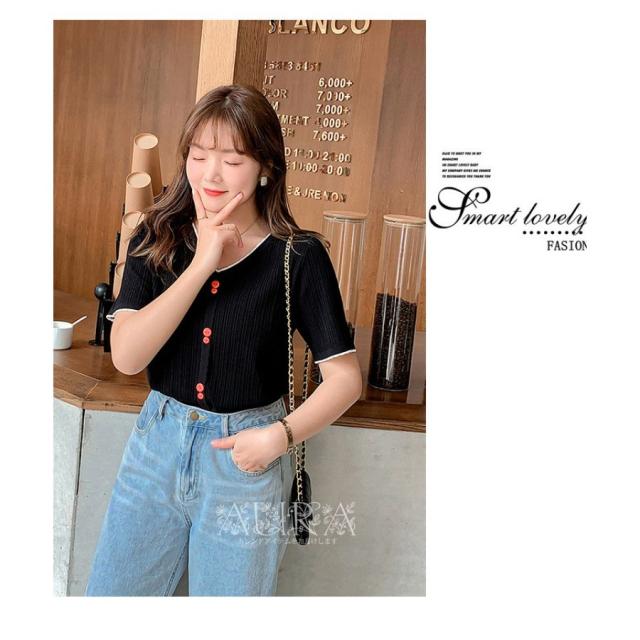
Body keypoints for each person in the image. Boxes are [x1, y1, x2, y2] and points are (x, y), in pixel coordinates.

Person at [85, 84, 362, 596]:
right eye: (198, 156)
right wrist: (202, 262)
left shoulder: (298, 256)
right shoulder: (155, 235)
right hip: (154, 451)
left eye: (232, 161)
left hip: (244, 462)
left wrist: (277, 437)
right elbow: (127, 356)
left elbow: (345, 379)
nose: (210, 175)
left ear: (265, 168)